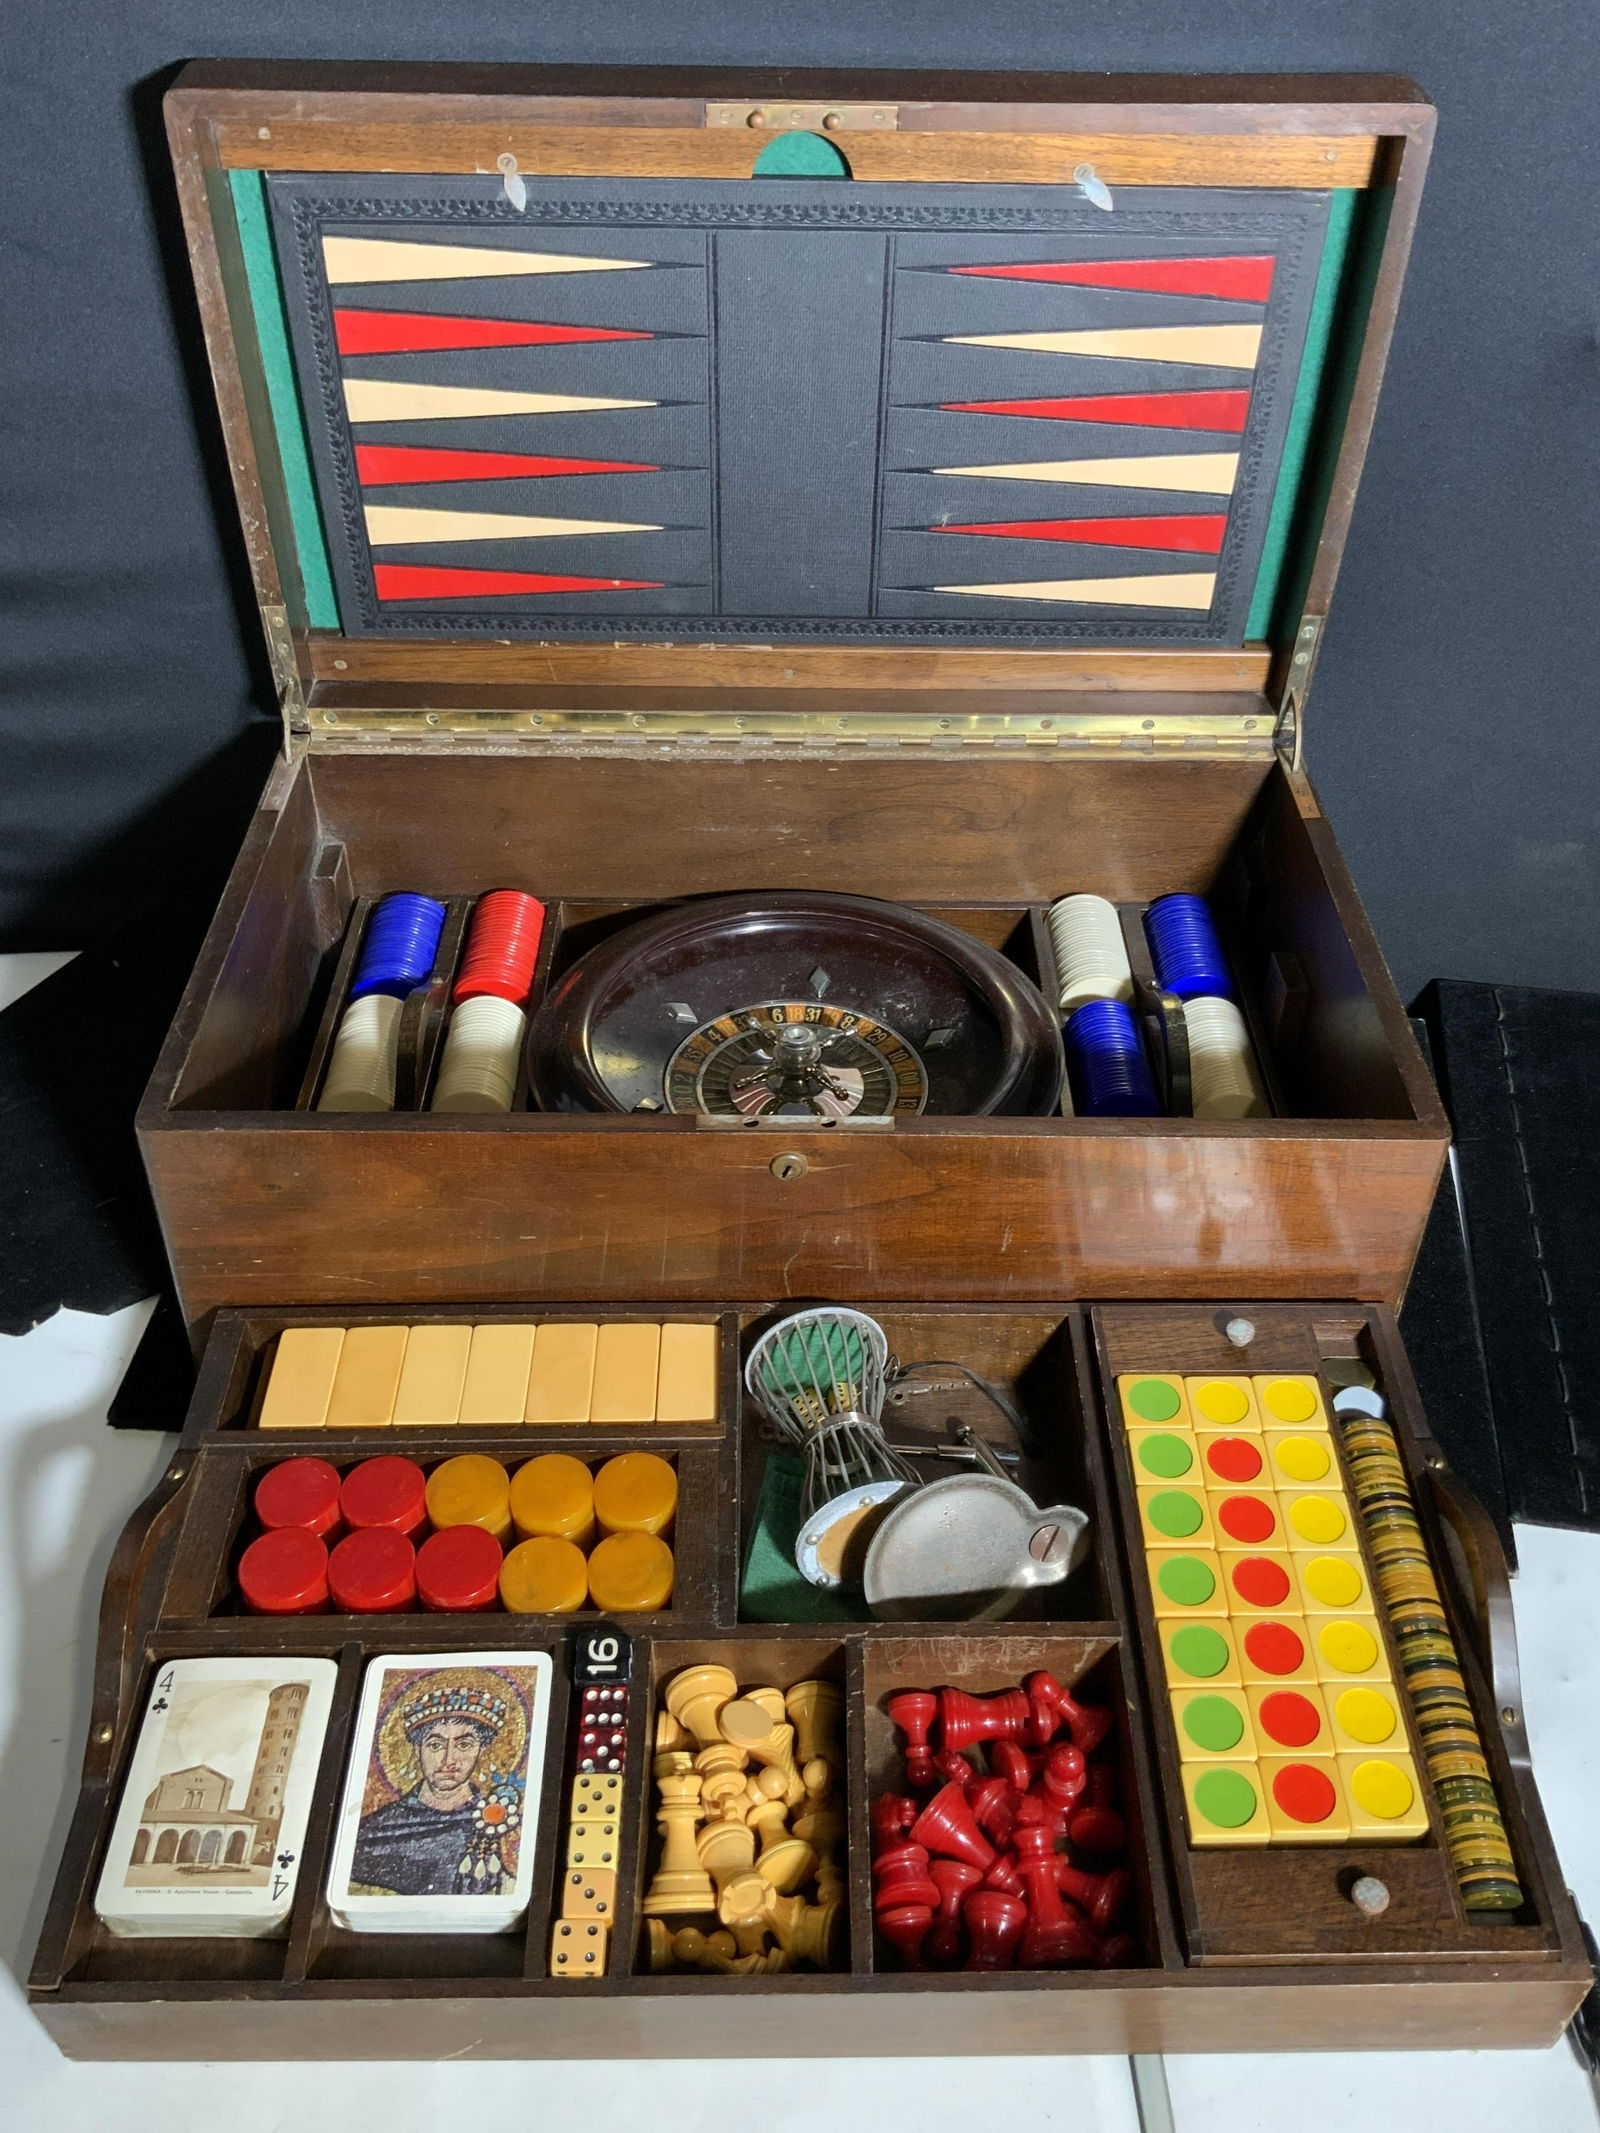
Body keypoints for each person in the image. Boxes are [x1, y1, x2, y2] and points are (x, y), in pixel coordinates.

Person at [350, 1680, 517, 1898]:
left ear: (482, 1749)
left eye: (464, 1745)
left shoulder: (498, 1828)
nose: (449, 1760)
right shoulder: (373, 1831)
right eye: (435, 1745)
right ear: (417, 1749)